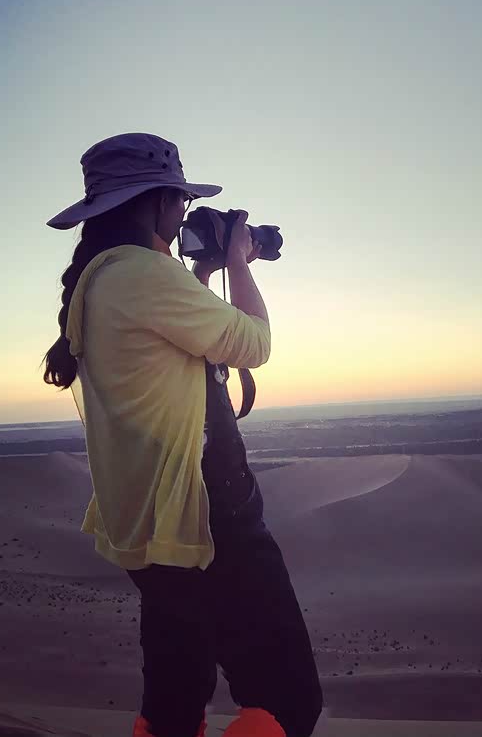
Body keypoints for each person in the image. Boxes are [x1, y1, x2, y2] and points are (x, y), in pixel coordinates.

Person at [42, 133, 323, 737]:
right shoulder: (143, 274)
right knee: (285, 701)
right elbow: (253, 343)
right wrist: (239, 262)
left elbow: (183, 337)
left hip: (149, 519)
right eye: (182, 200)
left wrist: (203, 271)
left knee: (177, 691)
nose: (186, 211)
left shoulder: (103, 277)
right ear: (156, 201)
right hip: (205, 512)